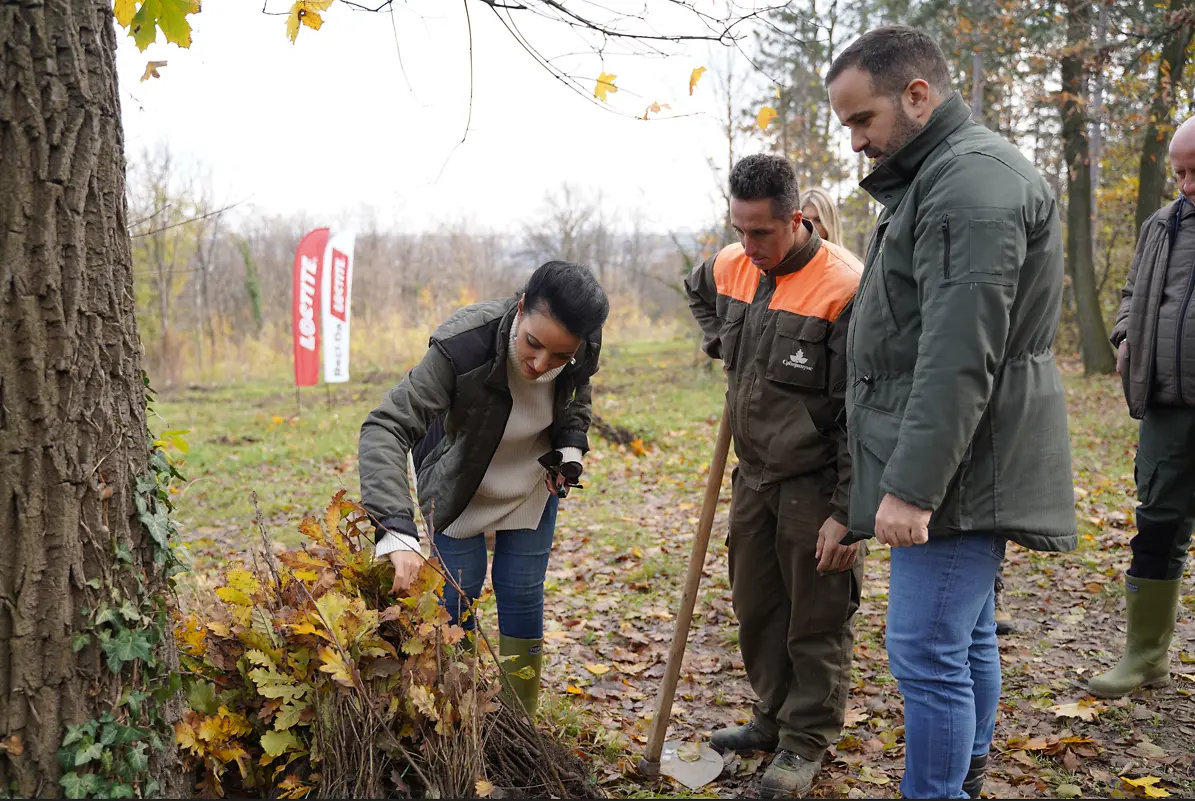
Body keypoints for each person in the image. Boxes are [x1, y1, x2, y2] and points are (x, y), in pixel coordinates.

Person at [826, 25, 1077, 800]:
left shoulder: (969, 185)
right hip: (961, 454)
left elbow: (957, 355)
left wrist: (913, 487)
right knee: (962, 639)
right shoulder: (940, 175)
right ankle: (960, 779)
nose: (858, 142)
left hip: (961, 464)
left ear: (916, 94)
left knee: (925, 650)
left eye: (862, 120)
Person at [685, 154, 864, 798]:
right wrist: (719, 343)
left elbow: (863, 413)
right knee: (755, 603)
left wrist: (850, 511)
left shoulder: (845, 286)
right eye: (738, 228)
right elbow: (696, 288)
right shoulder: (734, 264)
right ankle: (770, 716)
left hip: (816, 482)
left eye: (761, 232)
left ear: (796, 219)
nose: (747, 244)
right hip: (752, 472)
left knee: (815, 614)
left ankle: (805, 740)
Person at [358, 261, 609, 715]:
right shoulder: (464, 344)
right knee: (458, 589)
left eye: (559, 356)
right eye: (533, 344)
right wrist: (395, 529)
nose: (539, 365)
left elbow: (577, 392)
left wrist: (569, 447)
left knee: (522, 588)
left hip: (530, 481)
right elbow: (386, 427)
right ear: (520, 309)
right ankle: (455, 713)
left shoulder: (583, 345)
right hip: (458, 481)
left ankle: (519, 723)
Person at [1092, 116, 1195, 699]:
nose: (1185, 183)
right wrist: (1128, 334)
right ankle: (1145, 657)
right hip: (1167, 406)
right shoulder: (1162, 225)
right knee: (1157, 527)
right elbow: (1133, 292)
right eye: (1179, 171)